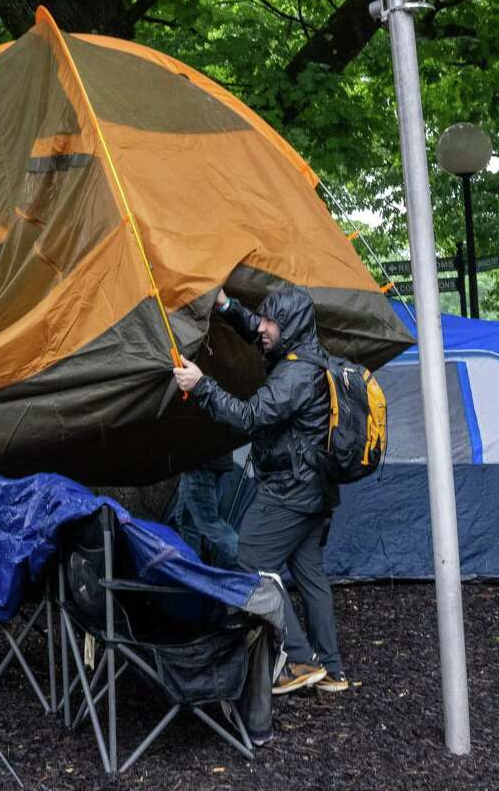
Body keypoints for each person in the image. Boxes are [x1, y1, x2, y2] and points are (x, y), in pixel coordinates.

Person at [173, 286, 347, 695]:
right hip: (316, 487)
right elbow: (258, 330)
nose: (263, 328)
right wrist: (226, 306)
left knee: (247, 560)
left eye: (272, 322)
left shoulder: (294, 375)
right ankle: (332, 671)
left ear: (290, 326)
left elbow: (249, 417)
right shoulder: (307, 352)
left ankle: (300, 658)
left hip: (291, 489)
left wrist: (202, 385)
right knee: (310, 575)